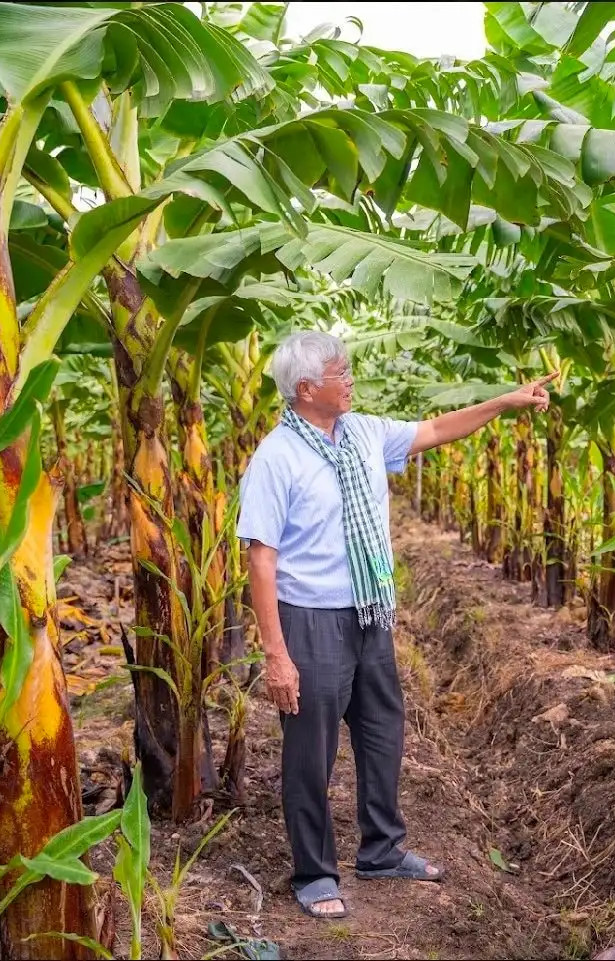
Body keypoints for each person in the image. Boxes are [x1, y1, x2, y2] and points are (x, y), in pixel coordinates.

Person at [237, 331, 555, 920]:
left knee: (382, 732)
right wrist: (276, 654)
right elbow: (261, 556)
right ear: (307, 389)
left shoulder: (362, 433)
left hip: (369, 612)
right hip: (311, 619)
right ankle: (314, 873)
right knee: (311, 751)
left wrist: (503, 404)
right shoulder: (276, 458)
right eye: (341, 372)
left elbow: (434, 430)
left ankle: (382, 850)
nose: (351, 378)